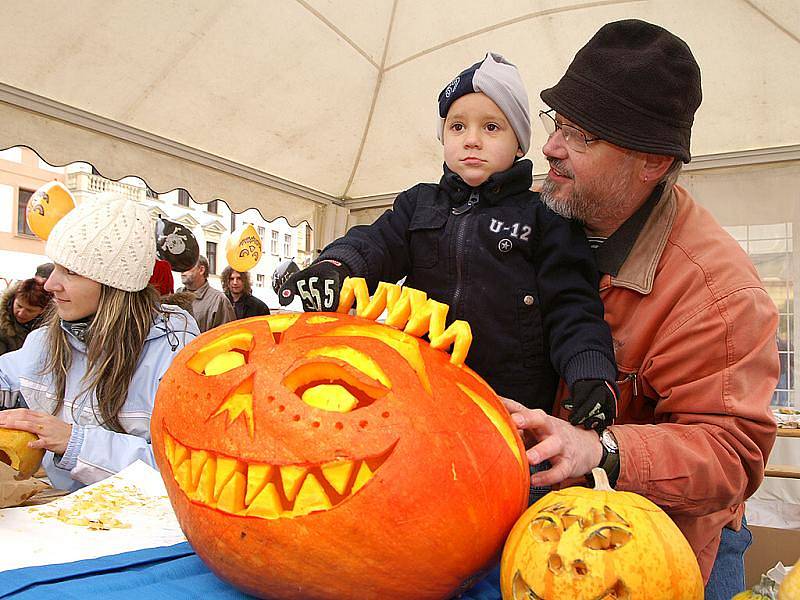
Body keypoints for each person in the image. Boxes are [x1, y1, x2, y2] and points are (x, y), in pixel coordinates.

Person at [500, 20, 778, 600]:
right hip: (536, 518)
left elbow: (730, 454)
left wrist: (601, 447)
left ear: (650, 163)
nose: (549, 147)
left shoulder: (719, 293)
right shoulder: (535, 220)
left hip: (665, 539)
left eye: (581, 136)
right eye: (557, 123)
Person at [279, 53, 618, 432]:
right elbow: (375, 244)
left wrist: (589, 372)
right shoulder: (418, 204)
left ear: (519, 144)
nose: (471, 140)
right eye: (457, 127)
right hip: (424, 400)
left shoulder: (545, 216)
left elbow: (572, 306)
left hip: (510, 413)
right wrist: (335, 266)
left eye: (491, 127)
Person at [0, 193, 199, 491]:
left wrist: (73, 441)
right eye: (55, 267)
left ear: (114, 286)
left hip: (148, 529)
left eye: (71, 271)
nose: (51, 284)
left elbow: (185, 469)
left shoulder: (173, 353)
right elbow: (7, 375)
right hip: (67, 520)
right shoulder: (48, 340)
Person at [178, 255, 235, 332]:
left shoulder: (218, 300)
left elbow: (226, 336)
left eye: (187, 266)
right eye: (181, 266)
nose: (182, 271)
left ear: (201, 270)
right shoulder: (177, 295)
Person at [0, 278, 52, 355]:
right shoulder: (2, 326)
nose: (21, 313)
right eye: (19, 306)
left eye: (30, 310)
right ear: (14, 299)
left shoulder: (51, 329)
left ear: (43, 310)